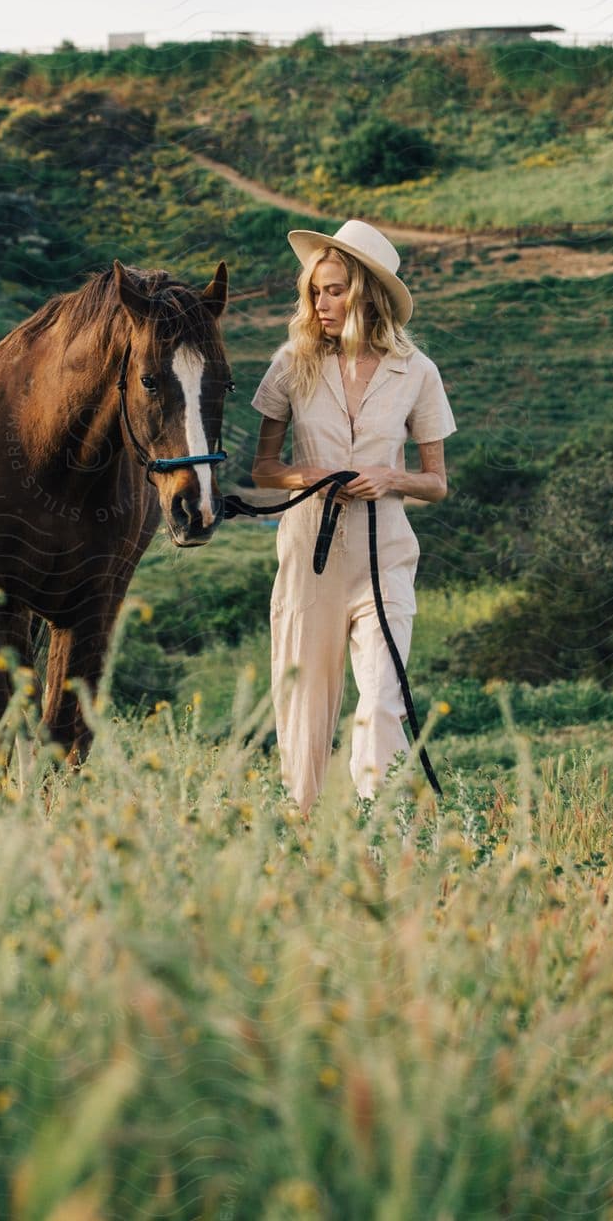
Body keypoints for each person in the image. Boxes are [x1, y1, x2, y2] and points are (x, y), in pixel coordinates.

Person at [249, 219, 456, 816]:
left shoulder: (417, 372)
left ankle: (377, 828)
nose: (321, 303)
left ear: (365, 292)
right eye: (315, 291)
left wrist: (391, 478)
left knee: (384, 697)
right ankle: (302, 830)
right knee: (304, 707)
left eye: (334, 289)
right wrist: (312, 476)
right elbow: (264, 468)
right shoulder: (292, 362)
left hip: (384, 553)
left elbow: (436, 482)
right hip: (308, 553)